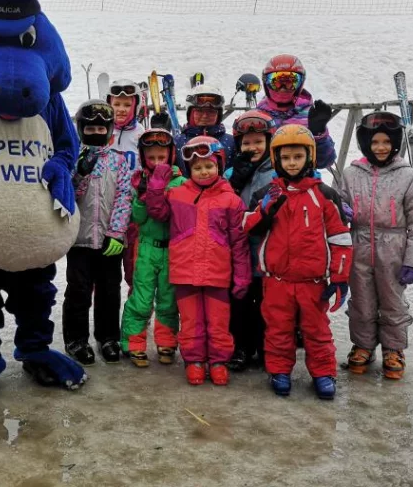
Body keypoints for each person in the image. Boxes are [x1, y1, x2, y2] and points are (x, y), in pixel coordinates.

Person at [243, 125, 353, 399]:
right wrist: (265, 211)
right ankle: (279, 370)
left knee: (317, 331)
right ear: (277, 160)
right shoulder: (269, 194)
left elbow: (340, 238)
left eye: (298, 157)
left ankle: (323, 373)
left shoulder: (324, 195)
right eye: (286, 158)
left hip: (312, 282)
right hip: (277, 281)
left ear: (309, 158)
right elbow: (247, 226)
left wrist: (339, 277)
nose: (292, 163)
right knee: (278, 329)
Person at [147, 136, 251, 386]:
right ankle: (194, 360)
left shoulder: (231, 200)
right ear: (188, 169)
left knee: (217, 322)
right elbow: (157, 212)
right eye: (197, 167)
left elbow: (238, 242)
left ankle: (217, 361)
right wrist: (156, 185)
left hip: (217, 274)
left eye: (208, 166)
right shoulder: (177, 194)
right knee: (192, 322)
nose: (203, 172)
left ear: (219, 165)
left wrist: (242, 275)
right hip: (186, 273)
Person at [340, 111, 413, 380]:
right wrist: (341, 209)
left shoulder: (408, 177)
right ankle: (364, 345)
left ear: (395, 144)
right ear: (365, 143)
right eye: (375, 142)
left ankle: (394, 348)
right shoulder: (350, 174)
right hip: (358, 245)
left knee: (392, 301)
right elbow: (337, 205)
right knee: (362, 301)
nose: (380, 147)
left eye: (386, 142)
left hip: (394, 247)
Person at [62, 100, 133, 365]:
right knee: (79, 290)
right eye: (89, 129)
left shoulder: (119, 161)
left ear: (109, 130)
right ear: (80, 129)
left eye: (100, 129)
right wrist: (80, 173)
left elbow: (125, 196)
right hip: (79, 239)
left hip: (109, 240)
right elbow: (69, 194)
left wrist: (116, 232)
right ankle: (76, 339)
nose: (95, 133)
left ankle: (108, 337)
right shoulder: (73, 159)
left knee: (109, 290)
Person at [120, 129, 184, 367]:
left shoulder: (180, 182)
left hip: (171, 249)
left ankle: (167, 341)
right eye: (151, 158)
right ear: (143, 157)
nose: (157, 163)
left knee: (168, 300)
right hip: (146, 247)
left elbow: (180, 216)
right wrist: (143, 195)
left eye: (161, 157)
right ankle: (133, 343)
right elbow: (137, 218)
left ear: (171, 156)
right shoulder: (140, 181)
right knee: (142, 298)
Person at [223, 110, 276, 371]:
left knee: (267, 303)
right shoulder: (232, 171)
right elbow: (218, 202)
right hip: (239, 251)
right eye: (246, 142)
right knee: (240, 301)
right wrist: (233, 183)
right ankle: (241, 346)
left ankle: (266, 347)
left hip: (269, 250)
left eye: (258, 141)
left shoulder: (278, 169)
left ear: (269, 142)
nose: (252, 147)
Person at [257, 54, 336, 169]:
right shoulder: (258, 117)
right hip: (265, 184)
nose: (283, 88)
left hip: (302, 181)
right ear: (266, 83)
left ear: (300, 83)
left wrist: (318, 134)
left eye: (290, 82)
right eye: (276, 82)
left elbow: (325, 161)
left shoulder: (310, 116)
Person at [106, 79, 145, 289]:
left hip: (133, 216)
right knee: (104, 276)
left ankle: (138, 320)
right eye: (117, 104)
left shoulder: (142, 136)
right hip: (106, 215)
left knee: (136, 271)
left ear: (135, 106)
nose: (121, 110)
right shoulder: (101, 133)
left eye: (127, 105)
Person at [174, 85, 234, 176]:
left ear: (219, 115)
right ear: (190, 113)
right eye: (199, 111)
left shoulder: (232, 142)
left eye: (211, 112)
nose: (205, 116)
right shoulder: (177, 142)